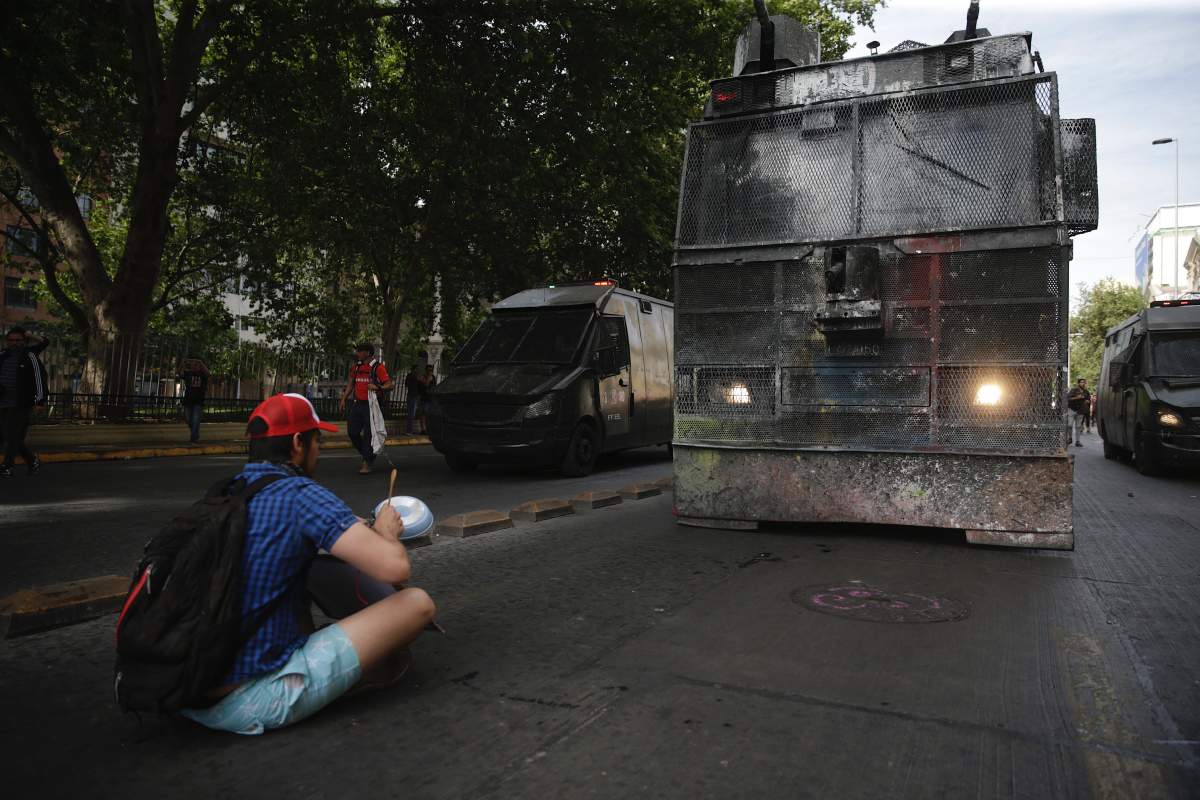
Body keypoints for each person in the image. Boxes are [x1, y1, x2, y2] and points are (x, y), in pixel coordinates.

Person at [180, 393, 436, 735]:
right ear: (298, 443)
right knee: (416, 604)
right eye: (317, 440)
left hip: (188, 687)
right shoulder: (299, 493)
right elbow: (395, 569)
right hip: (251, 700)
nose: (319, 449)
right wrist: (387, 533)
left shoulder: (228, 490)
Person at [0, 326, 48, 478]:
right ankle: (32, 460)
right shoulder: (2, 355)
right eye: (11, 340)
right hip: (2, 401)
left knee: (11, 435)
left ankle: (7, 467)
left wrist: (40, 401)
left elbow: (40, 379)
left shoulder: (30, 355)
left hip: (20, 403)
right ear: (7, 341)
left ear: (24, 341)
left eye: (18, 340)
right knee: (6, 435)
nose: (14, 343)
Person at [339, 343, 393, 474]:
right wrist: (344, 398)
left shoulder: (378, 368)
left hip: (371, 405)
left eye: (359, 351)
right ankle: (368, 455)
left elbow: (390, 385)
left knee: (369, 435)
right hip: (357, 404)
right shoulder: (356, 367)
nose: (357, 353)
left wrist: (378, 387)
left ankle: (366, 463)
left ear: (367, 353)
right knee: (352, 432)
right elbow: (351, 384)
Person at [179, 357, 210, 444]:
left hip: (198, 401)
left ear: (200, 367)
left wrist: (201, 362)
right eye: (194, 365)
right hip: (188, 400)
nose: (195, 366)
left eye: (197, 365)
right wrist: (183, 363)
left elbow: (208, 373)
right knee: (188, 419)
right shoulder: (188, 374)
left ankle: (194, 438)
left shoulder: (203, 375)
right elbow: (180, 373)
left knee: (195, 419)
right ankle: (195, 434)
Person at [1067, 378, 1090, 447]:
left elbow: (1088, 400)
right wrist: (1077, 397)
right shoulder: (1073, 390)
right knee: (1069, 425)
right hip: (1072, 409)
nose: (1083, 384)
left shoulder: (1086, 392)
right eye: (1081, 382)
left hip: (1081, 411)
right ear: (1078, 383)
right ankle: (1070, 438)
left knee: (1078, 426)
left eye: (1084, 382)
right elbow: (1068, 398)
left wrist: (1087, 401)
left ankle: (1078, 441)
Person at [417, 364, 437, 434]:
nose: (430, 372)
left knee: (429, 414)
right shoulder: (423, 377)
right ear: (426, 370)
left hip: (430, 398)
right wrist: (428, 379)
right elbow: (425, 386)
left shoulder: (433, 378)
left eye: (431, 370)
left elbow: (434, 387)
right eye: (428, 370)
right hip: (423, 398)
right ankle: (423, 429)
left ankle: (428, 428)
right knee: (423, 413)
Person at [404, 365, 421, 434]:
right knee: (411, 414)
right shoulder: (412, 376)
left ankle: (410, 430)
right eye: (416, 369)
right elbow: (407, 384)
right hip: (412, 396)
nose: (417, 371)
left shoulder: (415, 377)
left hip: (414, 396)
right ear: (413, 370)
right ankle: (409, 430)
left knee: (412, 414)